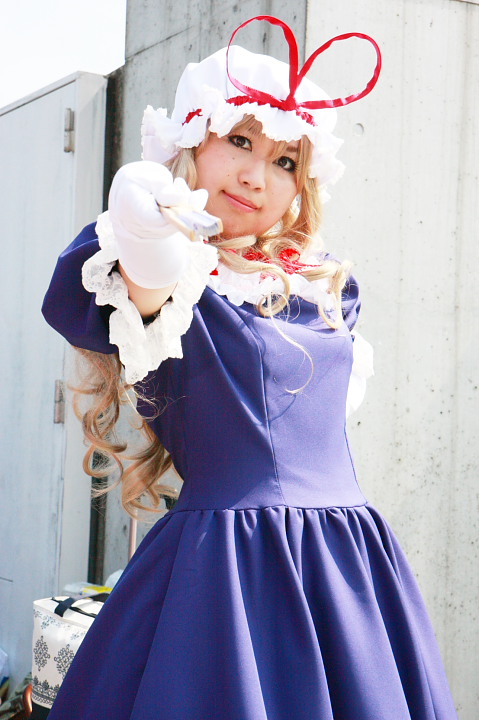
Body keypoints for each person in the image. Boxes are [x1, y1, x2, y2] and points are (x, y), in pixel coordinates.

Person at [41, 15, 457, 720]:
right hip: (228, 570)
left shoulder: (322, 287)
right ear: (190, 142)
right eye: (238, 141)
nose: (255, 176)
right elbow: (144, 266)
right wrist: (146, 209)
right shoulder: (172, 275)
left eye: (285, 161)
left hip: (346, 560)